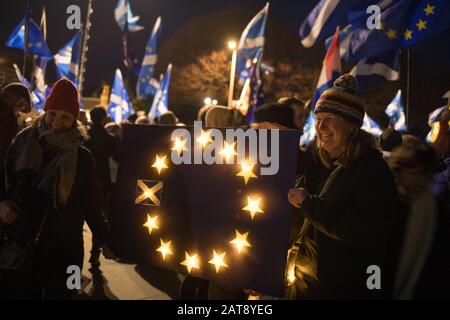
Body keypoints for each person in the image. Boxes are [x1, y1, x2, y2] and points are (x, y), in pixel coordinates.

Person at [287, 74, 401, 299]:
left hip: (342, 288)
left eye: (329, 118)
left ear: (351, 125)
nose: (321, 127)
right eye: (318, 118)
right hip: (304, 284)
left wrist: (309, 203)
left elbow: (364, 230)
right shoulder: (316, 163)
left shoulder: (374, 171)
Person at [0, 79, 112, 299]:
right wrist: (1, 203)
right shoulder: (22, 141)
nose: (56, 122)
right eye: (53, 114)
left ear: (74, 120)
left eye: (65, 117)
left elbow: (92, 204)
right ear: (45, 112)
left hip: (67, 249)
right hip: (23, 243)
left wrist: (105, 239)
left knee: (65, 294)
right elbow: (4, 178)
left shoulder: (83, 157)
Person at [388, 141, 450, 299]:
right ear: (399, 170)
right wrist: (373, 289)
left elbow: (439, 261)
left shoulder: (435, 209)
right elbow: (371, 258)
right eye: (415, 173)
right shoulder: (383, 203)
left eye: (427, 174)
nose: (422, 180)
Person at [84, 106, 120, 270]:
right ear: (104, 119)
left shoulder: (83, 135)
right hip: (102, 183)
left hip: (83, 182)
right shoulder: (110, 139)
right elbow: (119, 157)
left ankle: (74, 280)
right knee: (99, 217)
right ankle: (94, 254)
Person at [0, 82, 32, 197]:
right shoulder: (9, 117)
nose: (21, 109)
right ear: (16, 98)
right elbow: (6, 148)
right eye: (22, 104)